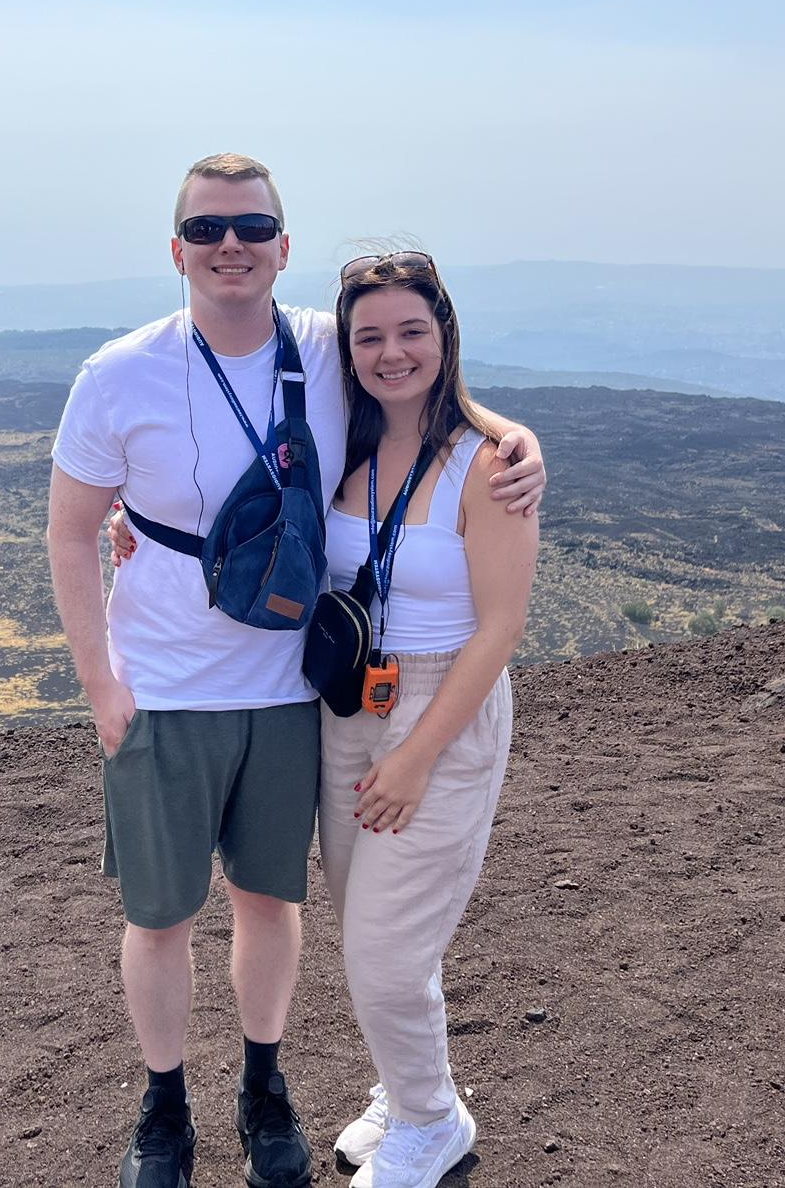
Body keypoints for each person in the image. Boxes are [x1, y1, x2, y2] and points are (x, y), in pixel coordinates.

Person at [46, 154, 544, 1188]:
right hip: (184, 692)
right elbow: (71, 532)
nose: (232, 245)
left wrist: (515, 436)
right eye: (210, 229)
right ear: (179, 248)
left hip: (290, 693)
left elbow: (421, 373)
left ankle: (276, 1092)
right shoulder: (119, 373)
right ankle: (166, 1110)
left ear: (281, 244)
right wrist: (101, 682)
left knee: (288, 910)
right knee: (162, 916)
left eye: (253, 226)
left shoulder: (322, 344)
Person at [317, 251, 539, 1187]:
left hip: (441, 708)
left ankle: (430, 1122)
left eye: (412, 330)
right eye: (369, 335)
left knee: (385, 949)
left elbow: (502, 627)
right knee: (366, 927)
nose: (391, 351)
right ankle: (407, 1086)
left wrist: (413, 756)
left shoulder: (491, 464)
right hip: (346, 707)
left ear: (446, 334)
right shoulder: (339, 441)